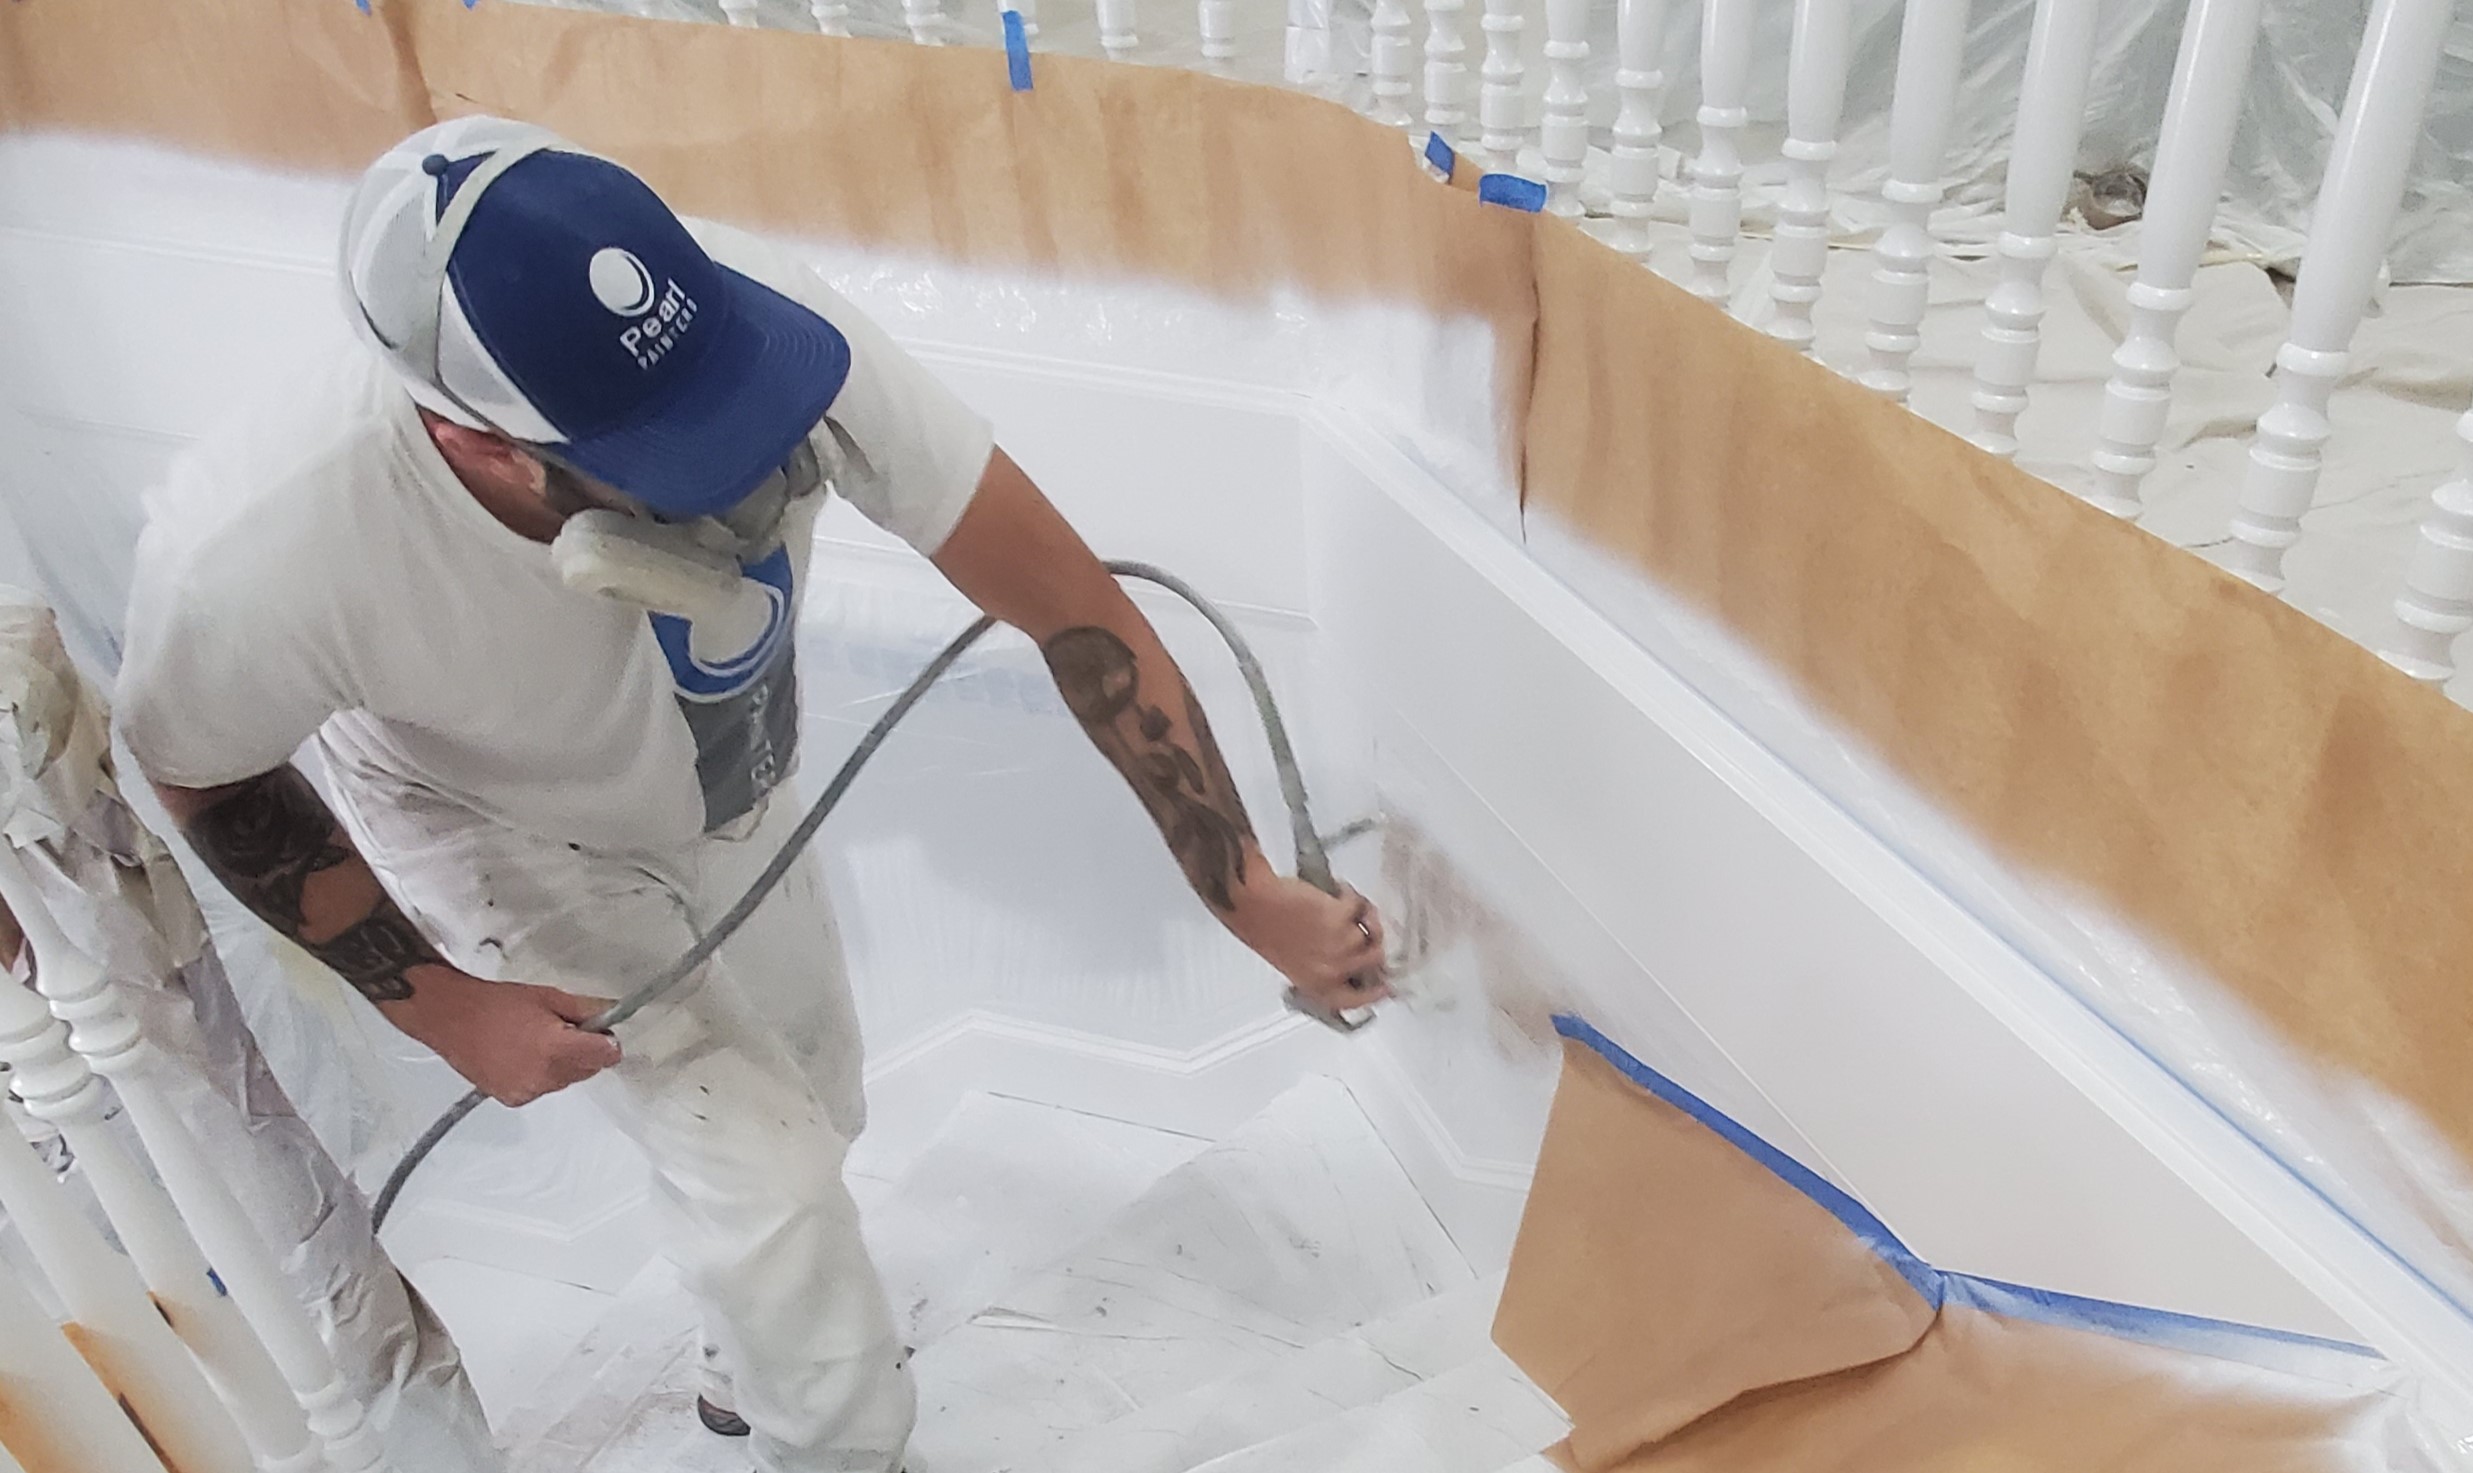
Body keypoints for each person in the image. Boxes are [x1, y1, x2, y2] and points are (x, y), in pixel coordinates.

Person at [114, 115, 1388, 1473]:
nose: (743, 472)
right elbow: (203, 770)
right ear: (477, 444)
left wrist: (1240, 885)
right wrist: (444, 1006)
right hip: (494, 828)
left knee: (822, 1101)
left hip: (726, 777)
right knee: (770, 1183)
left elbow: (1073, 606)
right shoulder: (270, 548)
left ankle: (740, 1371)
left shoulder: (769, 336)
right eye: (665, 459)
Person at [0, 586, 500, 1470]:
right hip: (68, 1098)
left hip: (112, 971)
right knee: (134, 1356)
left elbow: (24, 684)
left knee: (312, 1289)